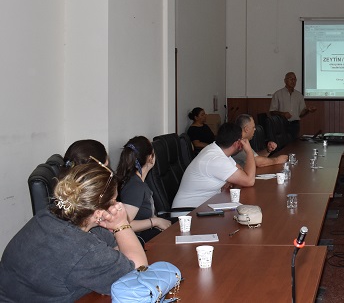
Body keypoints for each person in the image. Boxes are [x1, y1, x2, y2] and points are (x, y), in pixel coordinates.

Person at [0, 162, 146, 302]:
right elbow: (139, 273)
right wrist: (121, 224)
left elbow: (113, 246)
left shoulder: (50, 215)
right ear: (98, 213)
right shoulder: (83, 248)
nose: (117, 205)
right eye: (114, 200)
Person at [173, 122, 256, 208]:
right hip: (188, 214)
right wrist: (249, 152)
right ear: (237, 143)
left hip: (204, 207)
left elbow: (240, 170)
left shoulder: (216, 150)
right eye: (242, 140)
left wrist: (230, 179)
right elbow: (249, 181)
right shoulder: (216, 159)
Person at [116, 136, 172, 243]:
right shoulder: (135, 187)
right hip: (139, 240)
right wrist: (155, 221)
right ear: (150, 158)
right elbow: (124, 225)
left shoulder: (136, 181)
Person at [269, 72, 316, 139]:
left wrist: (308, 110)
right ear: (285, 80)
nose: (293, 81)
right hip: (281, 124)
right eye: (290, 79)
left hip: (295, 125)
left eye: (294, 79)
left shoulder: (299, 95)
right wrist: (283, 114)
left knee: (294, 145)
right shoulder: (278, 94)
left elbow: (301, 114)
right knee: (283, 145)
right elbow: (272, 112)